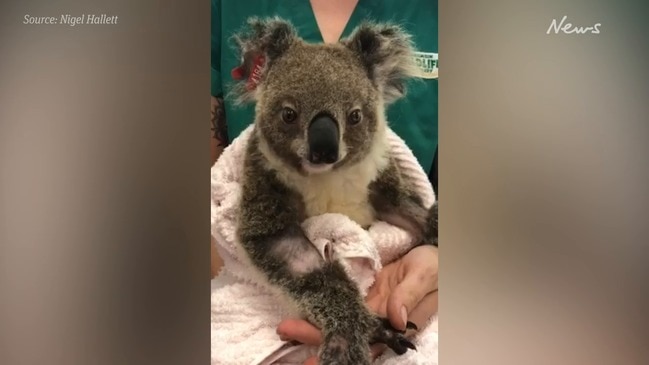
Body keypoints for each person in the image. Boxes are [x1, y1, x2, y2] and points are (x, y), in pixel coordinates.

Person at [211, 0, 438, 362]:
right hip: (260, 300)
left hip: (408, 285)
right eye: (288, 115)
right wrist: (342, 313)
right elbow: (258, 230)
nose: (324, 147)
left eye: (353, 117)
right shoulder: (263, 160)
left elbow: (414, 207)